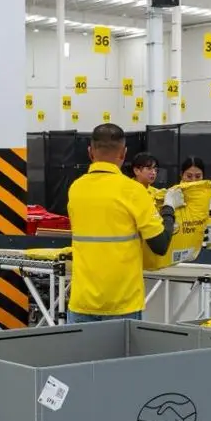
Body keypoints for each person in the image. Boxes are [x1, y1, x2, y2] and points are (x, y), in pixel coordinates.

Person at [66, 123, 180, 322]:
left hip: (81, 301)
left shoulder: (76, 189)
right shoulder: (133, 191)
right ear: (124, 153)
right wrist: (169, 209)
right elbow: (160, 244)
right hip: (122, 303)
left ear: (90, 152)